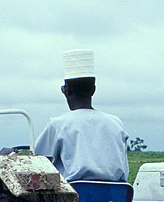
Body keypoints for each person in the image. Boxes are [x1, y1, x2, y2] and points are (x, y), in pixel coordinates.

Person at [34, 49, 129, 182]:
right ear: (93, 90)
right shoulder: (116, 124)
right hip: (115, 199)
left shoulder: (58, 124)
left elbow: (37, 163)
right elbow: (124, 170)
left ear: (67, 90)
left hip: (74, 199)